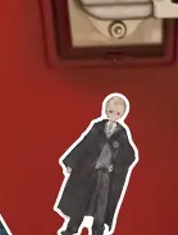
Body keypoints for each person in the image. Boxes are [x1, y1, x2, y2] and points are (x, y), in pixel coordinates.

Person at [55, 94, 138, 235]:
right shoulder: (97, 127)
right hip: (88, 171)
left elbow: (129, 155)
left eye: (118, 113)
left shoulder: (122, 134)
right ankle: (72, 227)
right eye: (111, 111)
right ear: (106, 110)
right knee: (80, 199)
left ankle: (98, 230)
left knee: (101, 204)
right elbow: (84, 144)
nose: (114, 115)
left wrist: (116, 166)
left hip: (106, 175)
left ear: (123, 114)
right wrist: (72, 163)